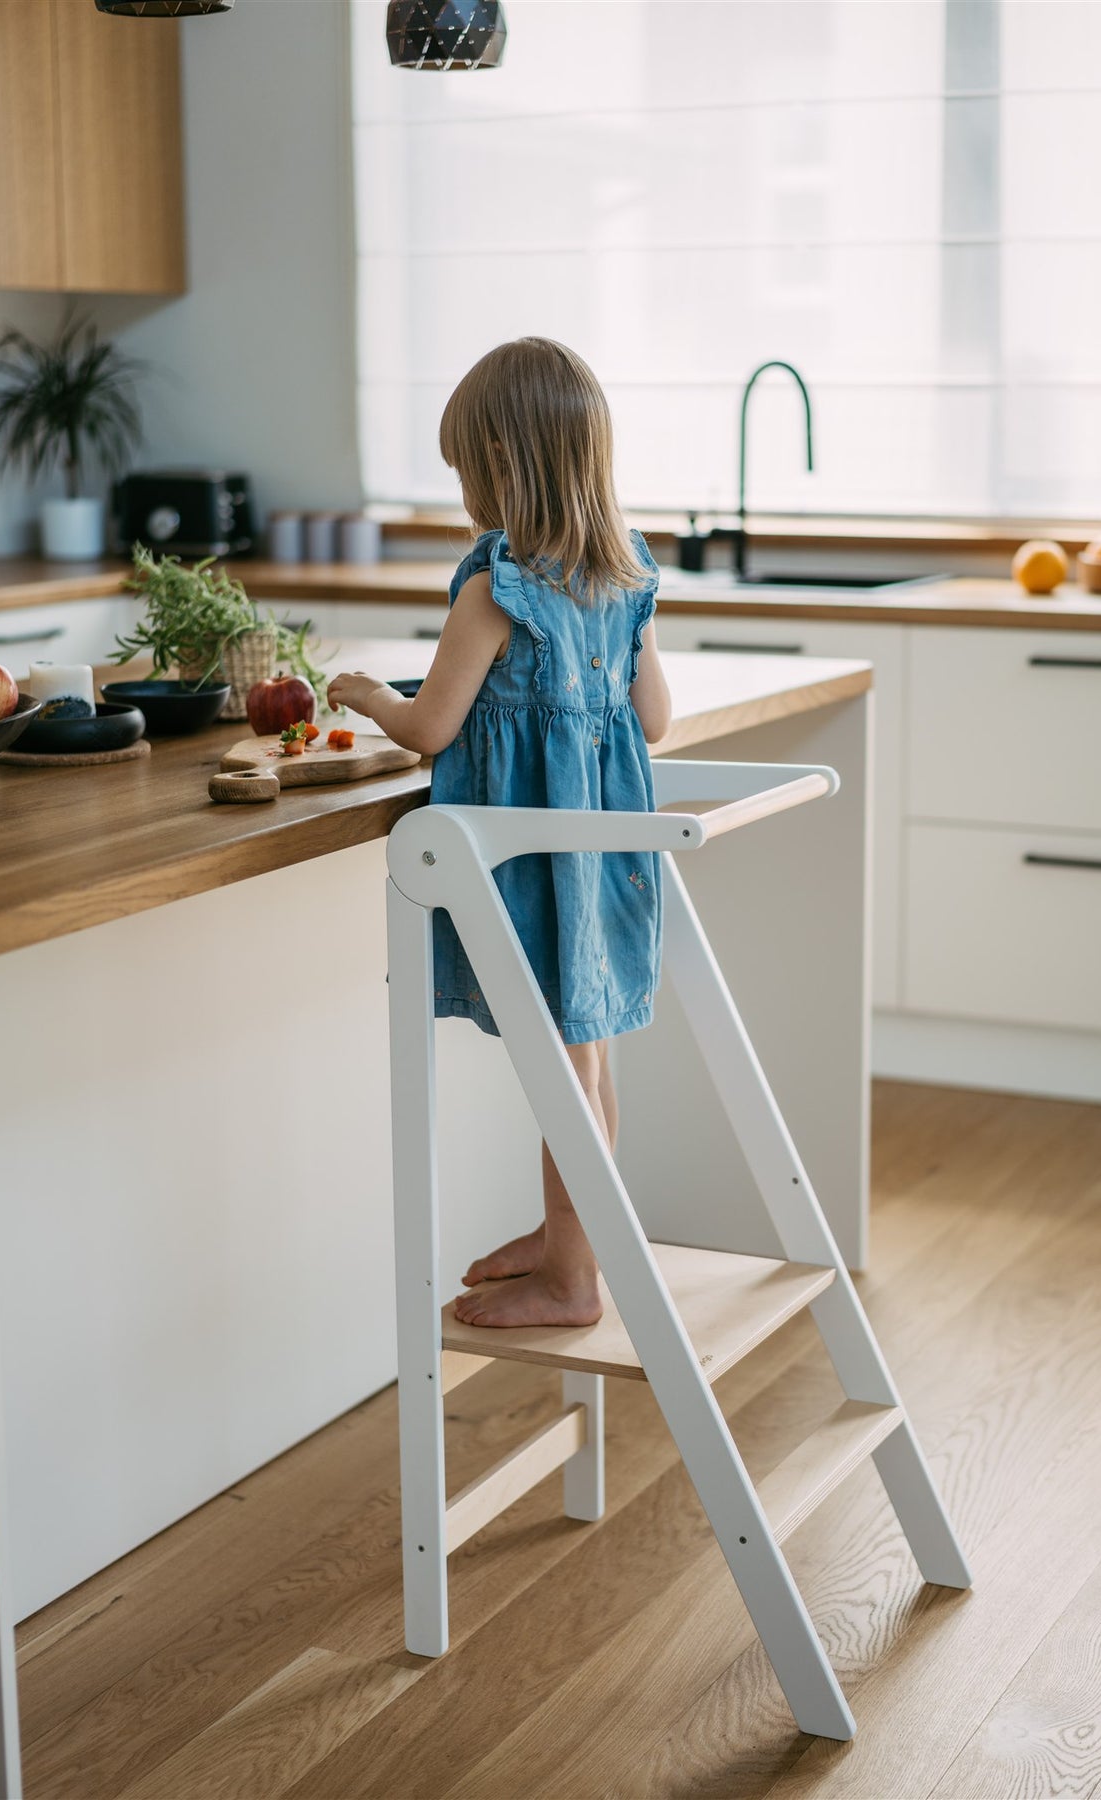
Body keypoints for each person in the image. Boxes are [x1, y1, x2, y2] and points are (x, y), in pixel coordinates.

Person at [327, 337, 672, 1330]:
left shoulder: (498, 589)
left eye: (467, 471)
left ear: (503, 468)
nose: (465, 495)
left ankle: (572, 1281)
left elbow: (430, 726)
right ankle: (573, 1241)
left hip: (528, 871)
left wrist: (365, 697)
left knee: (562, 1073)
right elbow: (654, 720)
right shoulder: (626, 573)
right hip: (605, 865)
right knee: (585, 1063)